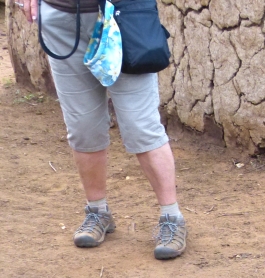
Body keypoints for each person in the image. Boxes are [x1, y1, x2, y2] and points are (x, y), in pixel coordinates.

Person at [18, 0, 187, 259]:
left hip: (123, 16)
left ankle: (171, 217)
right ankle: (97, 212)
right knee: (82, 126)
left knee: (141, 126)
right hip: (61, 19)